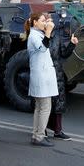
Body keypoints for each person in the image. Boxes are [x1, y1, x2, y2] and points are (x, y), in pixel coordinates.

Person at [25, 11, 58, 147]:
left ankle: (36, 135)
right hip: (41, 76)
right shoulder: (34, 36)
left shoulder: (37, 34)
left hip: (42, 75)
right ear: (35, 22)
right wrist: (48, 31)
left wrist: (47, 31)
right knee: (44, 108)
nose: (45, 23)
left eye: (46, 21)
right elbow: (43, 47)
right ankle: (39, 136)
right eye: (43, 20)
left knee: (39, 108)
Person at [44, 23, 79, 141]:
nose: (49, 23)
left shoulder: (56, 36)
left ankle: (58, 130)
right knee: (44, 103)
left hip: (56, 72)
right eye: (45, 20)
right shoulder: (38, 36)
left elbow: (63, 53)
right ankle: (41, 130)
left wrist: (71, 45)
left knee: (58, 102)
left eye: (49, 20)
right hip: (43, 73)